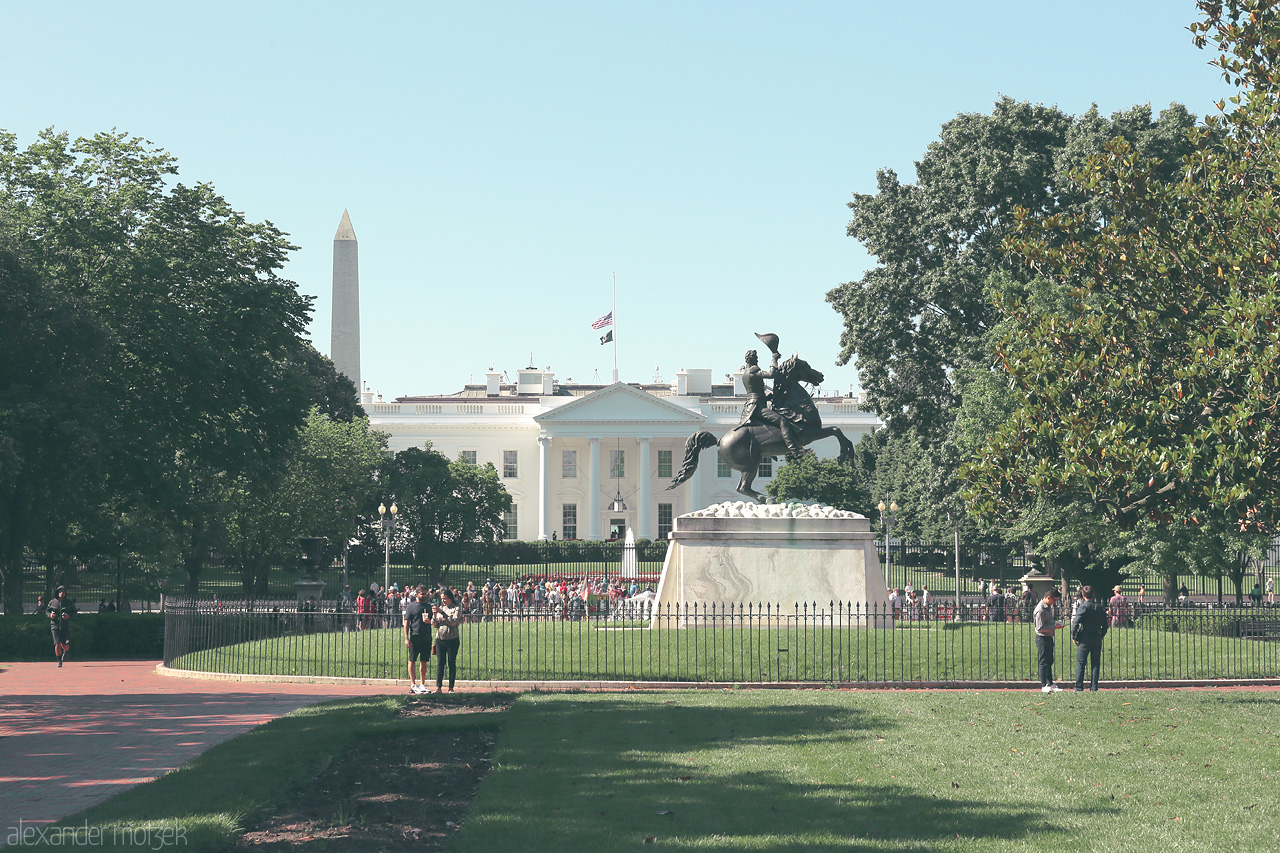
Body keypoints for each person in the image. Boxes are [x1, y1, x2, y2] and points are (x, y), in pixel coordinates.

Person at [736, 349, 806, 458]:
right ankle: (794, 450)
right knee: (782, 421)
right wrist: (774, 358)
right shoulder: (753, 370)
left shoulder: (745, 373)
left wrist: (767, 397)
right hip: (757, 406)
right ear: (753, 359)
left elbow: (754, 391)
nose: (758, 359)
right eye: (756, 358)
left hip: (751, 405)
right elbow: (771, 374)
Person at [1072, 585, 1110, 692]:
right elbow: (1105, 626)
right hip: (1096, 636)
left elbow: (1076, 623)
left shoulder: (1083, 607)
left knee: (1081, 663)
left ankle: (1079, 686)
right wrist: (1101, 635)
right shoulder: (1100, 608)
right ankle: (1094, 687)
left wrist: (1073, 635)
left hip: (1085, 637)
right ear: (1093, 594)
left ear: (1083, 595)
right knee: (1095, 663)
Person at [431, 588, 463, 693]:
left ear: (450, 598)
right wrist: (435, 616)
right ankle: (438, 687)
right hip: (440, 639)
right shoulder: (440, 608)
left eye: (445, 599)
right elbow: (435, 625)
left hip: (452, 639)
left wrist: (443, 613)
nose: (443, 601)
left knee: (451, 662)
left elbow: (453, 621)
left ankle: (451, 687)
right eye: (442, 599)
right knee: (440, 663)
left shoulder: (456, 608)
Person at [1033, 588, 1064, 692]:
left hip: (1049, 637)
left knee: (1049, 661)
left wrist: (1055, 625)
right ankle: (1044, 684)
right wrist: (1055, 628)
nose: (1054, 603)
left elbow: (1048, 622)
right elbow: (1040, 628)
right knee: (1043, 662)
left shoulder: (1048, 607)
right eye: (1054, 600)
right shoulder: (1040, 609)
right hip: (1042, 637)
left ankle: (1050, 683)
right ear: (1048, 597)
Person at [403, 585, 432, 694]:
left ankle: (422, 684)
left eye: (425, 594)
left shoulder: (428, 606)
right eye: (422, 594)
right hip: (415, 636)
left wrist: (430, 621)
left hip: (426, 637)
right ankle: (413, 684)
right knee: (412, 660)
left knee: (424, 661)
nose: (424, 596)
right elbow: (406, 622)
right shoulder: (411, 606)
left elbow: (434, 622)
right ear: (417, 594)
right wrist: (406, 638)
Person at [47, 586, 77, 667]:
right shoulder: (52, 602)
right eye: (60, 592)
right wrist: (50, 615)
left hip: (65, 626)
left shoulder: (69, 603)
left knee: (64, 645)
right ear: (57, 593)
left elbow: (74, 612)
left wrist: (68, 616)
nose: (62, 593)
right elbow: (47, 611)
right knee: (57, 643)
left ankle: (66, 651)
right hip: (55, 626)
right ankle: (59, 661)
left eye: (63, 592)